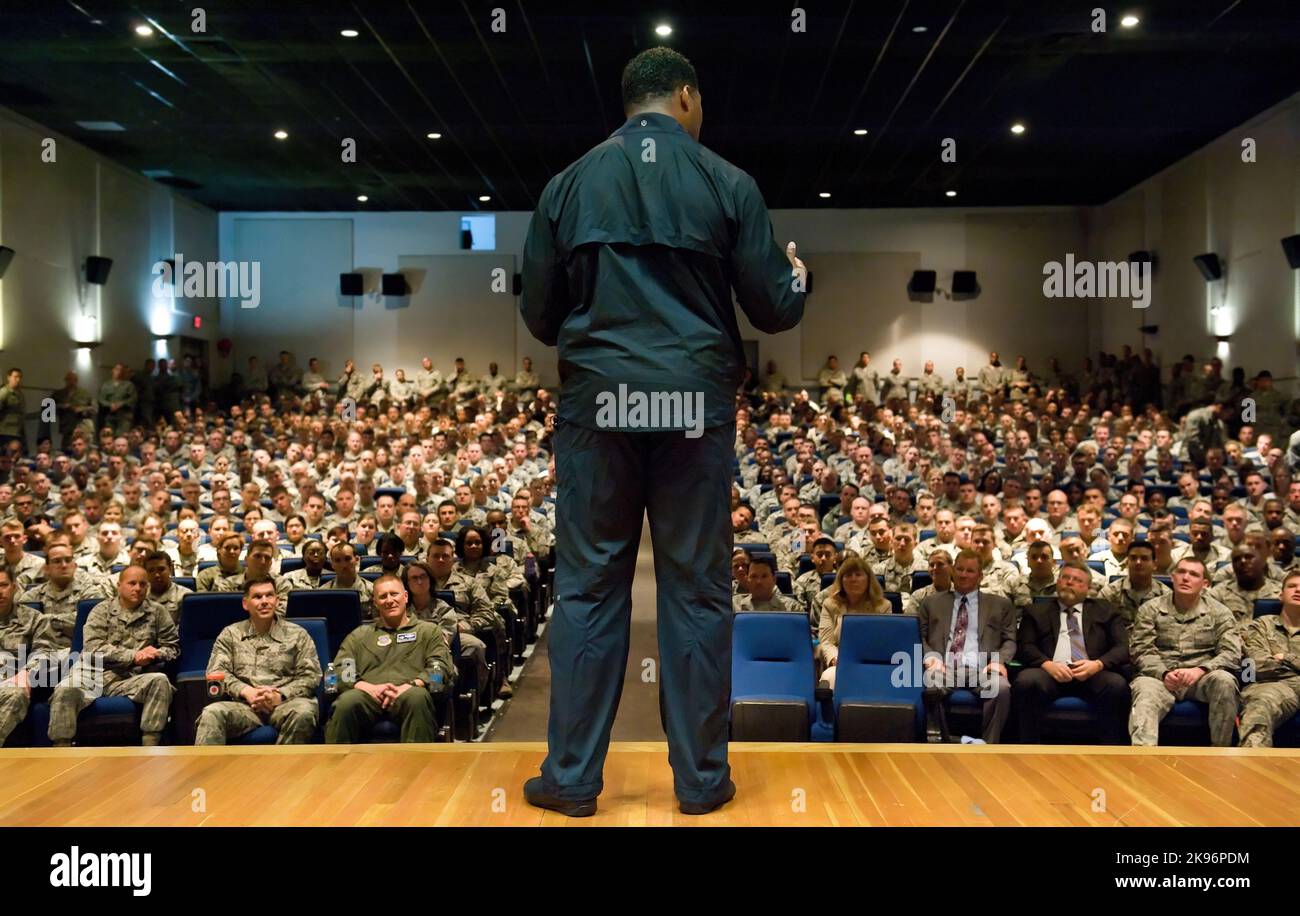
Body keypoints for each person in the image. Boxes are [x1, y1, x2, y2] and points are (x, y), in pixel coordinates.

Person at [519, 46, 806, 818]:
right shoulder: (728, 182)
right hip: (690, 408)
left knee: (587, 591)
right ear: (685, 96)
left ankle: (574, 781)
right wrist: (799, 274)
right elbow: (775, 307)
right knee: (696, 594)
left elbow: (540, 318)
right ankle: (702, 784)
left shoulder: (567, 184)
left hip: (600, 408)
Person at [47, 565, 178, 746]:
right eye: (132, 583)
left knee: (160, 681)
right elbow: (93, 648)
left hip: (129, 678)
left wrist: (157, 653)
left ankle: (151, 743)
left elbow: (172, 647)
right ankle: (61, 748)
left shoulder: (157, 612)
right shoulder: (101, 610)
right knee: (65, 689)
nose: (137, 588)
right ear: (119, 585)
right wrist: (133, 655)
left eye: (142, 584)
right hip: (91, 675)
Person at [325, 574, 454, 744]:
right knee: (345, 703)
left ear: (406, 597)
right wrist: (364, 686)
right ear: (375, 602)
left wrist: (415, 684)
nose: (389, 600)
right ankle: (337, 766)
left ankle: (415, 766)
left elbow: (440, 668)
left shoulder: (429, 632)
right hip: (367, 694)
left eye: (394, 594)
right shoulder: (360, 635)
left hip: (410, 692)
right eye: (383, 596)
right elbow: (340, 668)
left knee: (417, 698)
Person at [1013, 561, 1131, 744]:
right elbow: (1025, 646)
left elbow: (1122, 648)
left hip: (1092, 672)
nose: (1069, 582)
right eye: (1065, 578)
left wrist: (1097, 665)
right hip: (1050, 673)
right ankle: (1028, 748)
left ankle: (1110, 751)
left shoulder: (1106, 610)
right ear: (1057, 582)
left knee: (1116, 685)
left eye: (1077, 580)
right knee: (1026, 681)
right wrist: (1047, 665)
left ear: (1088, 588)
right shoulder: (1036, 611)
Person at [1128, 557, 1241, 746]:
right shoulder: (1151, 609)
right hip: (1159, 678)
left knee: (1225, 681)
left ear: (1205, 583)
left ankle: (1221, 754)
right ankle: (1143, 759)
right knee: (1144, 690)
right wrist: (1164, 673)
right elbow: (1140, 649)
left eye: (1194, 574)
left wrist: (1200, 670)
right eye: (1181, 572)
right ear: (1172, 577)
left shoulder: (1220, 612)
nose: (1186, 578)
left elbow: (1232, 653)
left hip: (1201, 678)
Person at [196, 575, 321, 745]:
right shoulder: (231, 634)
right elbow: (216, 673)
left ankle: (284, 770)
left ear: (277, 600)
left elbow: (310, 675)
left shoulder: (298, 634)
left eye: (269, 595)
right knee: (212, 713)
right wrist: (247, 691)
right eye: (257, 597)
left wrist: (279, 695)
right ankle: (209, 771)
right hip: (245, 706)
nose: (264, 601)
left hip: (287, 704)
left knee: (304, 713)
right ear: (245, 603)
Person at [915, 550, 1016, 743]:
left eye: (970, 571)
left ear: (980, 576)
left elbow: (1009, 640)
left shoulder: (1000, 605)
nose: (963, 574)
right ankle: (942, 743)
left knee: (1001, 688)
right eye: (959, 569)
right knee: (931, 682)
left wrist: (1000, 661)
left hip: (983, 667)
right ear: (952, 571)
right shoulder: (931, 603)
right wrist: (930, 657)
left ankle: (989, 747)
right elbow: (920, 637)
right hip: (944, 666)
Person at [1237, 569, 1300, 746]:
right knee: (1261, 703)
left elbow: (1268, 663)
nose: (1298, 590)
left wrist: (1285, 658)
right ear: (1281, 595)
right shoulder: (1260, 625)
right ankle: (1252, 766)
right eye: (1292, 586)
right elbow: (1254, 667)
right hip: (1270, 688)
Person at [815, 556, 892, 690]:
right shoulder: (830, 605)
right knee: (830, 677)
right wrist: (836, 659)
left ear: (868, 579)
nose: (853, 579)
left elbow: (883, 642)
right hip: (839, 662)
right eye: (848, 575)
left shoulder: (883, 606)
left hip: (872, 662)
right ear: (841, 580)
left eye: (858, 574)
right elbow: (826, 642)